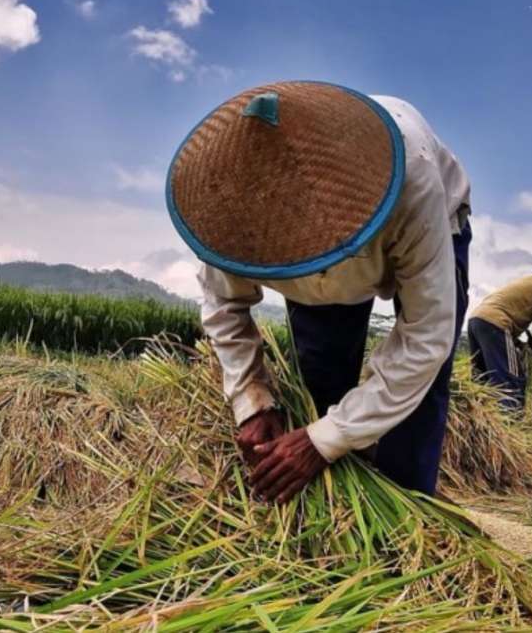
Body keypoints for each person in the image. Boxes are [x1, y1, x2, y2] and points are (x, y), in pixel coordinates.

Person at [166, 81, 471, 499]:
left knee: (415, 405)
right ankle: (340, 503)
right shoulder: (229, 208)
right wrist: (252, 403)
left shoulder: (412, 183)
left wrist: (321, 441)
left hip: (436, 222)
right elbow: (224, 306)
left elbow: (425, 338)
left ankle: (408, 520)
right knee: (322, 381)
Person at [467, 261, 532, 412]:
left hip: (476, 321)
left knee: (482, 379)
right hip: (497, 324)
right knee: (510, 380)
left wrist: (519, 344)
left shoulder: (526, 282)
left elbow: (503, 315)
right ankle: (511, 423)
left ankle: (477, 420)